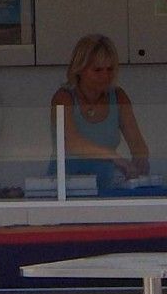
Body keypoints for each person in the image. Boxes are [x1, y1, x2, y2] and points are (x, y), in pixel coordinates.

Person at [50, 33, 150, 187]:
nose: (105, 75)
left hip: (105, 184)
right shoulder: (64, 98)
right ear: (79, 69)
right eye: (97, 70)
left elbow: (137, 142)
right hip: (65, 185)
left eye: (110, 69)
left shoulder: (118, 97)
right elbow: (72, 143)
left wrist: (140, 159)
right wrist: (115, 157)